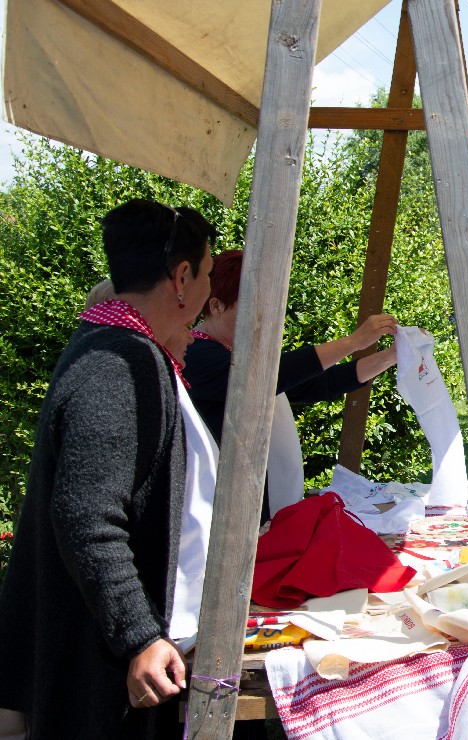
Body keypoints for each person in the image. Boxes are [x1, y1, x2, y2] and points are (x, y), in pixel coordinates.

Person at [0, 199, 219, 738]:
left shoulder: (127, 348)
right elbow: (87, 516)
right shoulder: (117, 365)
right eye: (208, 273)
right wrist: (139, 635)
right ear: (182, 277)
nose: (210, 288)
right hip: (105, 666)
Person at [182, 249, 398, 521]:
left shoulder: (239, 356)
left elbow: (319, 383)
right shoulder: (195, 355)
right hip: (224, 517)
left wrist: (391, 356)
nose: (264, 318)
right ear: (216, 307)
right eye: (254, 307)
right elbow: (266, 378)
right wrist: (353, 342)